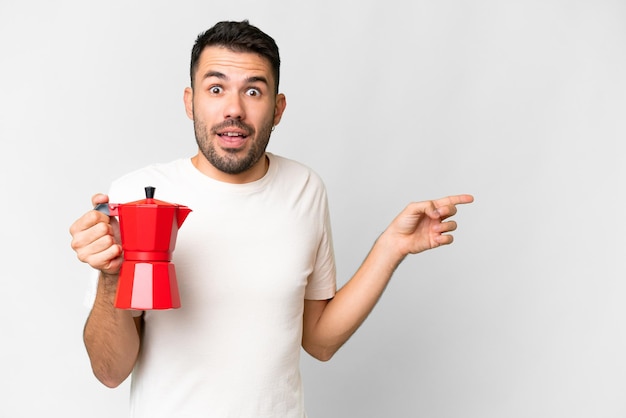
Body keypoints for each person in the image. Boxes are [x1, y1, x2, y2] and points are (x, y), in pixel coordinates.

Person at [69, 20, 474, 418]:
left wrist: (392, 246)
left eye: (253, 91)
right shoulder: (133, 196)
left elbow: (320, 342)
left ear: (277, 108)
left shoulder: (305, 189)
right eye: (216, 88)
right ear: (190, 102)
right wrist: (111, 278)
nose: (234, 109)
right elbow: (110, 372)